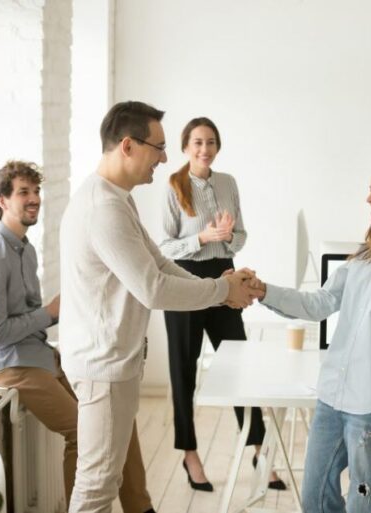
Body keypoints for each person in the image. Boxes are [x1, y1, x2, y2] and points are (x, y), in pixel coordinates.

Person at [59, 101, 257, 513]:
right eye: (159, 147)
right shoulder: (103, 208)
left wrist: (221, 284)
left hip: (115, 362)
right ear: (128, 146)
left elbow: (159, 261)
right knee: (96, 486)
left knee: (108, 477)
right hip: (103, 365)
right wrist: (222, 291)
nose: (166, 158)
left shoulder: (117, 198)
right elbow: (152, 287)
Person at [247, 157, 371, 513]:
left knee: (364, 504)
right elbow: (320, 303)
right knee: (314, 496)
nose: (369, 197)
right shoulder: (366, 255)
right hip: (331, 399)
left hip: (370, 409)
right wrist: (263, 291)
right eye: (369, 189)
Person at [0, 161, 156, 512]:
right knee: (85, 434)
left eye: (36, 191)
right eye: (23, 193)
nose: (34, 199)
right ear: (3, 201)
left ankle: (141, 507)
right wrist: (48, 313)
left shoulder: (26, 249)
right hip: (13, 365)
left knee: (118, 416)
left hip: (41, 354)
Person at [160, 117, 285, 491]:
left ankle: (259, 449)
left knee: (238, 364)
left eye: (210, 142)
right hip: (183, 279)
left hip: (224, 276)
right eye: (197, 142)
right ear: (186, 147)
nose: (204, 149)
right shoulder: (172, 186)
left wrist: (227, 238)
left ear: (217, 146)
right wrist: (202, 237)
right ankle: (189, 453)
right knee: (183, 370)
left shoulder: (228, 183)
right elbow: (164, 247)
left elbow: (241, 234)